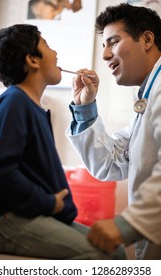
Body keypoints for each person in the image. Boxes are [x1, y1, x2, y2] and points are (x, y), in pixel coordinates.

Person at [0, 24, 125, 260]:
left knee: (116, 250)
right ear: (32, 60)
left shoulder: (32, 107)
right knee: (102, 257)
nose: (55, 53)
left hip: (28, 213)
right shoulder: (14, 102)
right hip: (3, 219)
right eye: (48, 46)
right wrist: (48, 203)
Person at [66, 3, 161, 260]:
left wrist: (126, 225)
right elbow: (114, 162)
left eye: (113, 42)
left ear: (147, 39)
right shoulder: (147, 94)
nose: (106, 55)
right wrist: (85, 106)